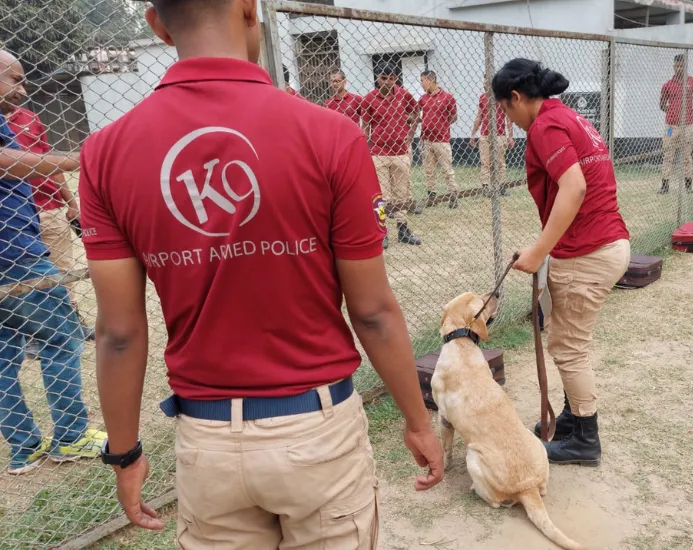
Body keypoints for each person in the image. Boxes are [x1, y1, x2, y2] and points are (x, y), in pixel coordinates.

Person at [78, 1, 444, 546]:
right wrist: (417, 420)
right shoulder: (332, 134)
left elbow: (118, 332)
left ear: (156, 23)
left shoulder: (103, 153)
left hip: (205, 443)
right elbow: (371, 311)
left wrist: (125, 453)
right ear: (251, 11)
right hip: (318, 431)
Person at [494, 58, 630, 467]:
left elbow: (574, 187)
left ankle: (584, 440)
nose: (507, 118)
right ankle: (572, 419)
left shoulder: (545, 126)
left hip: (588, 251)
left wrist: (539, 252)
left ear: (516, 97)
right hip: (605, 242)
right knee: (567, 340)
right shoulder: (565, 116)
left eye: (504, 108)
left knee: (569, 348)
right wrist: (541, 247)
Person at [0, 50, 105, 475]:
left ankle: (23, 447)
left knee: (4, 355)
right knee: (62, 337)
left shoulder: (9, 118)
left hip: (12, 249)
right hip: (15, 253)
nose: (23, 88)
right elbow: (9, 163)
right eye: (14, 78)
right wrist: (82, 158)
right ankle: (71, 436)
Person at [4, 102, 95, 342]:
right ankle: (32, 334)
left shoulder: (30, 118)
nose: (22, 90)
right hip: (13, 219)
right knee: (20, 277)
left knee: (62, 270)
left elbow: (50, 162)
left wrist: (70, 202)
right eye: (14, 80)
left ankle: (70, 323)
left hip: (48, 207)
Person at [361, 65, 422, 249]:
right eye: (384, 78)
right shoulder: (369, 99)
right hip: (378, 154)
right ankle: (382, 232)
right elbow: (365, 126)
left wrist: (410, 130)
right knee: (382, 196)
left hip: (400, 152)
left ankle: (403, 229)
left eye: (391, 78)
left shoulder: (403, 95)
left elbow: (416, 111)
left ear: (396, 78)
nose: (388, 82)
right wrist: (364, 149)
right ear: (378, 78)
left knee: (401, 194)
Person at [658, 53, 693, 195]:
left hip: (687, 126)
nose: (678, 69)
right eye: (676, 66)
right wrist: (671, 111)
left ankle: (688, 185)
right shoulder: (667, 85)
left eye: (681, 66)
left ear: (685, 66)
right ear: (673, 66)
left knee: (687, 156)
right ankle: (665, 185)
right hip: (671, 127)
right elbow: (662, 105)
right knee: (668, 155)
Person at [418, 70, 458, 209]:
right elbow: (419, 116)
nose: (421, 84)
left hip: (441, 139)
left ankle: (453, 194)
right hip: (426, 139)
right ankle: (432, 195)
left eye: (422, 81)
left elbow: (454, 116)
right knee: (429, 169)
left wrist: (442, 125)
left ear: (430, 80)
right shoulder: (422, 99)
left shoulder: (447, 97)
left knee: (446, 168)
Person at [471, 90, 514, 195]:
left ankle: (501, 186)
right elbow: (479, 116)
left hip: (499, 134)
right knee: (485, 162)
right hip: (485, 134)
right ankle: (485, 187)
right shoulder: (483, 97)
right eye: (485, 81)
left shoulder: (503, 97)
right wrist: (473, 133)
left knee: (500, 162)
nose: (485, 84)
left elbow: (508, 118)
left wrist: (510, 136)